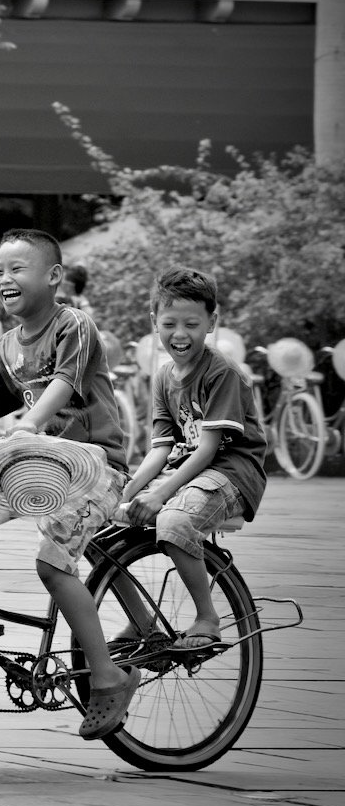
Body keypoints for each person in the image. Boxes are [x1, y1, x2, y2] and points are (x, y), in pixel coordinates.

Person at [0, 228, 139, 740]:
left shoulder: (74, 325)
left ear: (53, 277)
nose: (4, 278)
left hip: (94, 466)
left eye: (17, 268)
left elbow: (64, 382)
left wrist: (30, 423)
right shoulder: (4, 347)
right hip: (39, 466)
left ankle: (109, 677)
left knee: (54, 564)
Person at [119, 266, 266, 651]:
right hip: (186, 472)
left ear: (211, 322)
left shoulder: (222, 373)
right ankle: (140, 623)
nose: (179, 334)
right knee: (100, 524)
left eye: (191, 324)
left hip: (230, 473)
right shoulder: (164, 375)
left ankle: (206, 617)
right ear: (155, 322)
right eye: (169, 324)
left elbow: (208, 448)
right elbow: (161, 447)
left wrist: (159, 495)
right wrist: (130, 490)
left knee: (174, 518)